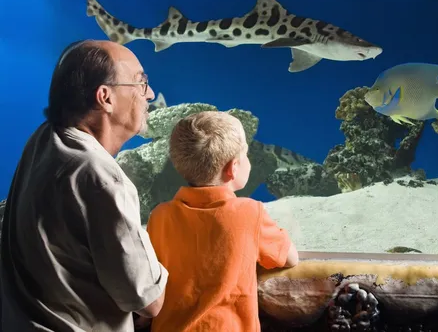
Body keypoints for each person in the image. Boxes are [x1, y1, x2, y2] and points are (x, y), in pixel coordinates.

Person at [0, 39, 169, 331]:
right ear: (105, 97)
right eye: (141, 84)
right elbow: (149, 301)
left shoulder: (44, 139)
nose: (150, 95)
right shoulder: (100, 177)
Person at [142, 111, 299, 332]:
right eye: (245, 155)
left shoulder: (159, 216)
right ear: (233, 168)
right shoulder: (250, 212)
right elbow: (290, 258)